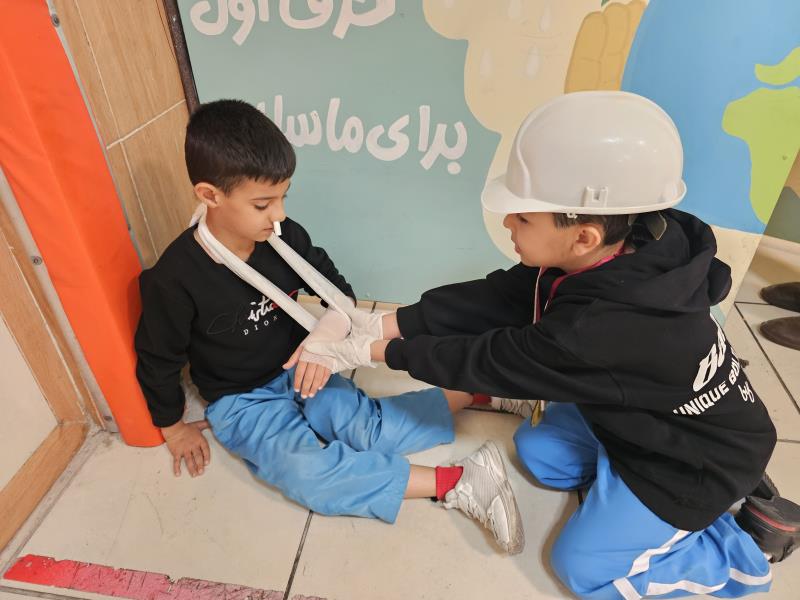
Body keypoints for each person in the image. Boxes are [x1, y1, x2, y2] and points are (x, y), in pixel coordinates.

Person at [306, 91, 800, 598]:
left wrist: (373, 352)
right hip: (638, 417)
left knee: (581, 567)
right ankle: (624, 490)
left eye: (523, 218)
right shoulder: (633, 242)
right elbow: (501, 297)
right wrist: (389, 323)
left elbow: (492, 360)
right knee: (539, 454)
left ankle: (741, 550)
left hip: (690, 465)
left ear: (584, 236)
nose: (508, 223)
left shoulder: (604, 329)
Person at [133, 99, 525, 554]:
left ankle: (484, 392)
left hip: (305, 365)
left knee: (369, 430)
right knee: (308, 473)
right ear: (210, 195)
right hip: (241, 399)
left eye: (283, 197)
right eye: (263, 203)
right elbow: (157, 359)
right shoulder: (175, 279)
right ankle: (458, 480)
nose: (279, 214)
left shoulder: (282, 236)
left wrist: (322, 343)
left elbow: (338, 294)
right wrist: (172, 426)